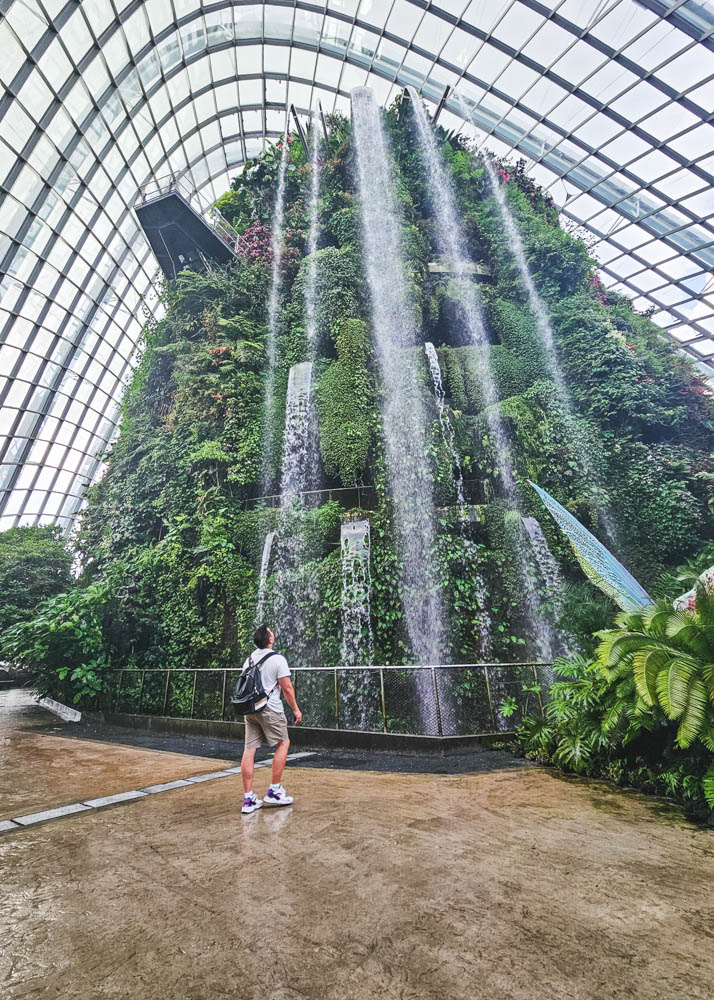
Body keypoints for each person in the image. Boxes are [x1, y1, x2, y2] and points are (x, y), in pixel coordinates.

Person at [240, 624, 302, 814]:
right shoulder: (277, 659)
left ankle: (249, 798)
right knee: (283, 742)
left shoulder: (249, 659)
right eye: (271, 632)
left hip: (250, 710)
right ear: (270, 639)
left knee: (249, 749)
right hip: (270, 709)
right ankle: (274, 790)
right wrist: (296, 710)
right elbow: (287, 688)